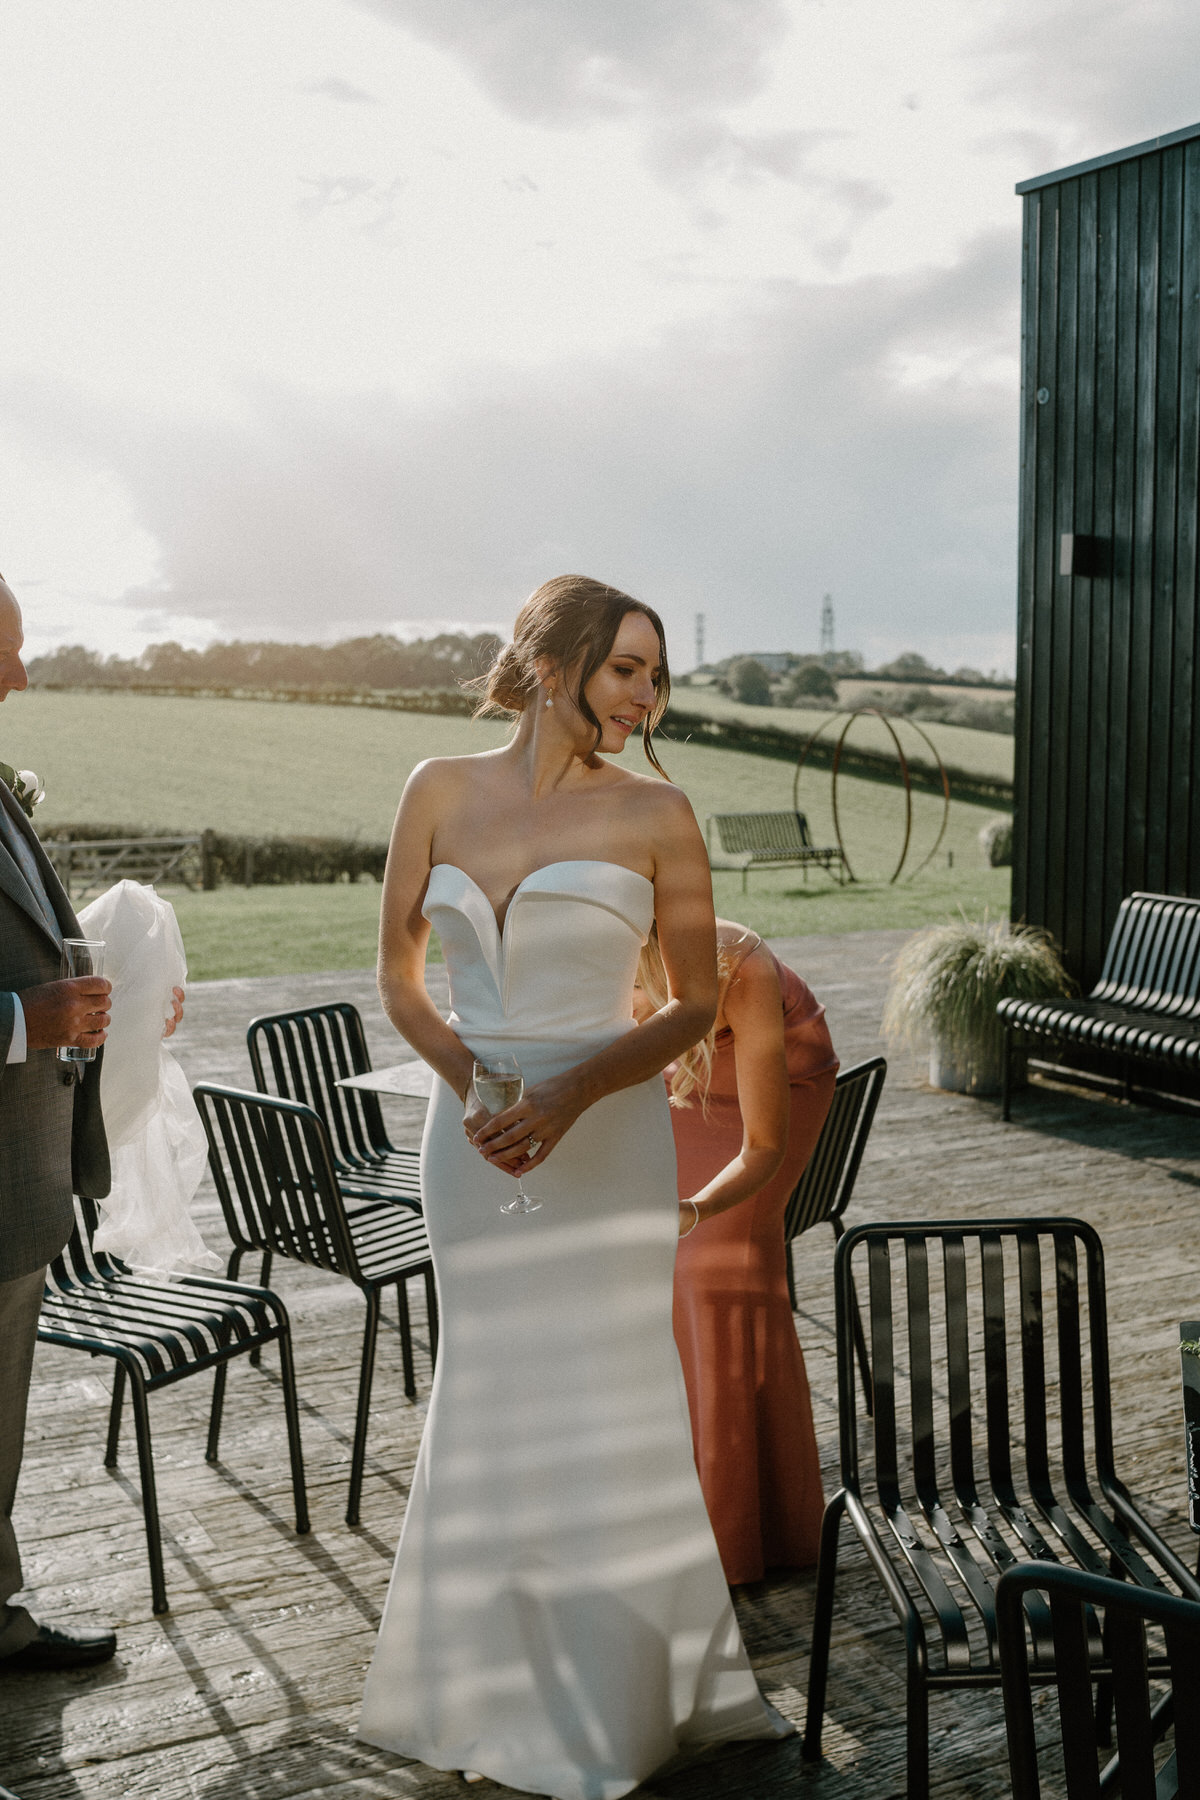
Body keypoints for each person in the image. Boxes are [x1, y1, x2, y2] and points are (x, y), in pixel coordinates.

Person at [358, 576, 788, 1800]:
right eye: (624, 669)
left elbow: (697, 1003)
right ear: (552, 664)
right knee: (489, 1384)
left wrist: (564, 1098)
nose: (644, 696)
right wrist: (478, 1084)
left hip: (603, 1145)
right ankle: (477, 1686)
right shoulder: (434, 789)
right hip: (474, 1143)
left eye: (656, 676)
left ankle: (615, 1702)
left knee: (606, 1394)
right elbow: (396, 974)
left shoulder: (661, 813)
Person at [0, 572, 184, 1707]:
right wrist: (28, 1020)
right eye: (4, 649)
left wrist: (115, 1001)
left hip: (18, 1177)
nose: (20, 673)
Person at [637, 919, 837, 1585]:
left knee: (713, 1264)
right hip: (683, 1077)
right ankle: (666, 1497)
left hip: (778, 1082)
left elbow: (762, 1147)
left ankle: (737, 1532)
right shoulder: (599, 954)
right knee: (646, 1263)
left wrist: (695, 1209)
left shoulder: (739, 965)